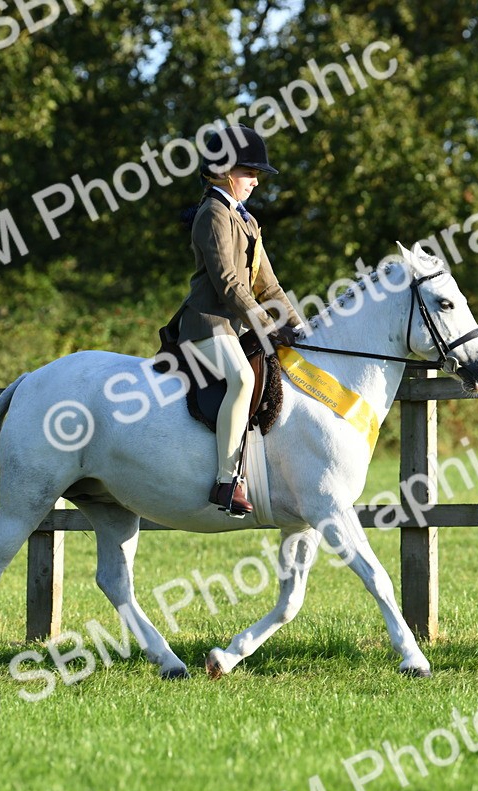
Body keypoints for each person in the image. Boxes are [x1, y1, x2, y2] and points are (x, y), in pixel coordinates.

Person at [162, 125, 302, 516]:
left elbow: (268, 285)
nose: (255, 182)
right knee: (242, 380)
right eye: (249, 173)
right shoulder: (212, 214)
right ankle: (226, 481)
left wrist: (296, 326)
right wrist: (263, 322)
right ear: (225, 171)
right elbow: (227, 284)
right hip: (207, 325)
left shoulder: (247, 221)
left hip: (233, 326)